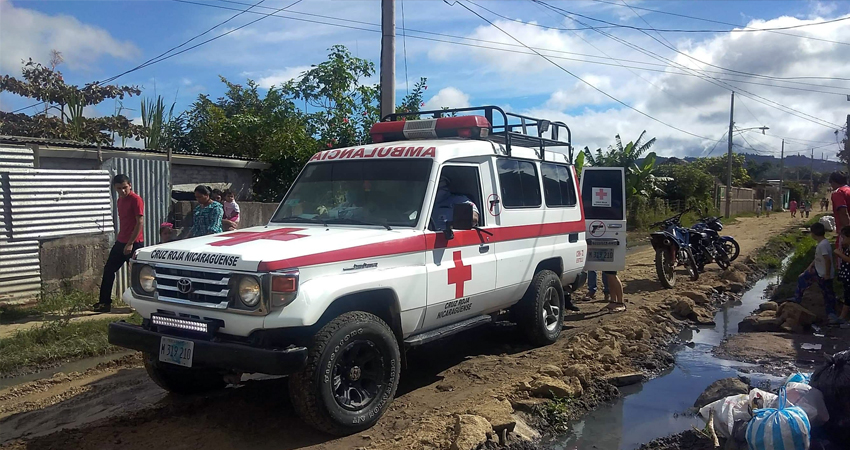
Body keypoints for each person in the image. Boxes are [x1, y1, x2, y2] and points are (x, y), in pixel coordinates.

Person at [93, 174, 144, 313]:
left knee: (136, 274)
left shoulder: (136, 199)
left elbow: (140, 222)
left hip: (134, 243)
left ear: (130, 185)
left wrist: (130, 243)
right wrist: (123, 241)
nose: (122, 191)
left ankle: (138, 304)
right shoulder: (120, 200)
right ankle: (104, 303)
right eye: (119, 188)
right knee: (109, 270)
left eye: (125, 188)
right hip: (121, 241)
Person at [794, 222, 842, 324]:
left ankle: (831, 314)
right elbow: (817, 258)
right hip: (818, 271)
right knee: (802, 278)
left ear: (814, 234)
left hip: (824, 274)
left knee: (828, 294)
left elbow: (827, 260)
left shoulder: (823, 245)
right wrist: (809, 268)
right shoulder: (822, 244)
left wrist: (827, 274)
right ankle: (797, 299)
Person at [833, 226, 850, 325]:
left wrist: (839, 254)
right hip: (846, 276)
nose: (842, 240)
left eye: (844, 238)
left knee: (848, 297)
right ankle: (842, 317)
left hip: (848, 276)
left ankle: (842, 317)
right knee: (847, 296)